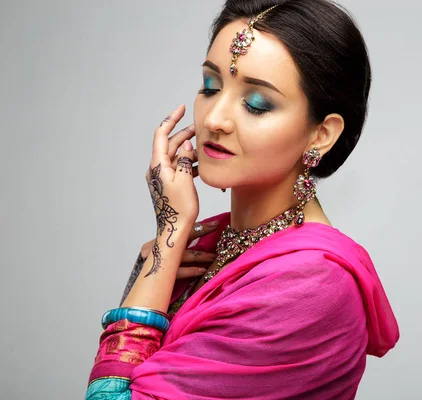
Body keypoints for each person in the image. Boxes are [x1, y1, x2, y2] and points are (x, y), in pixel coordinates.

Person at [86, 0, 400, 398]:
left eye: (256, 104)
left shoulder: (312, 283)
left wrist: (169, 235)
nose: (214, 118)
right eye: (210, 87)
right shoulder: (209, 248)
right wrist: (159, 263)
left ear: (321, 135)